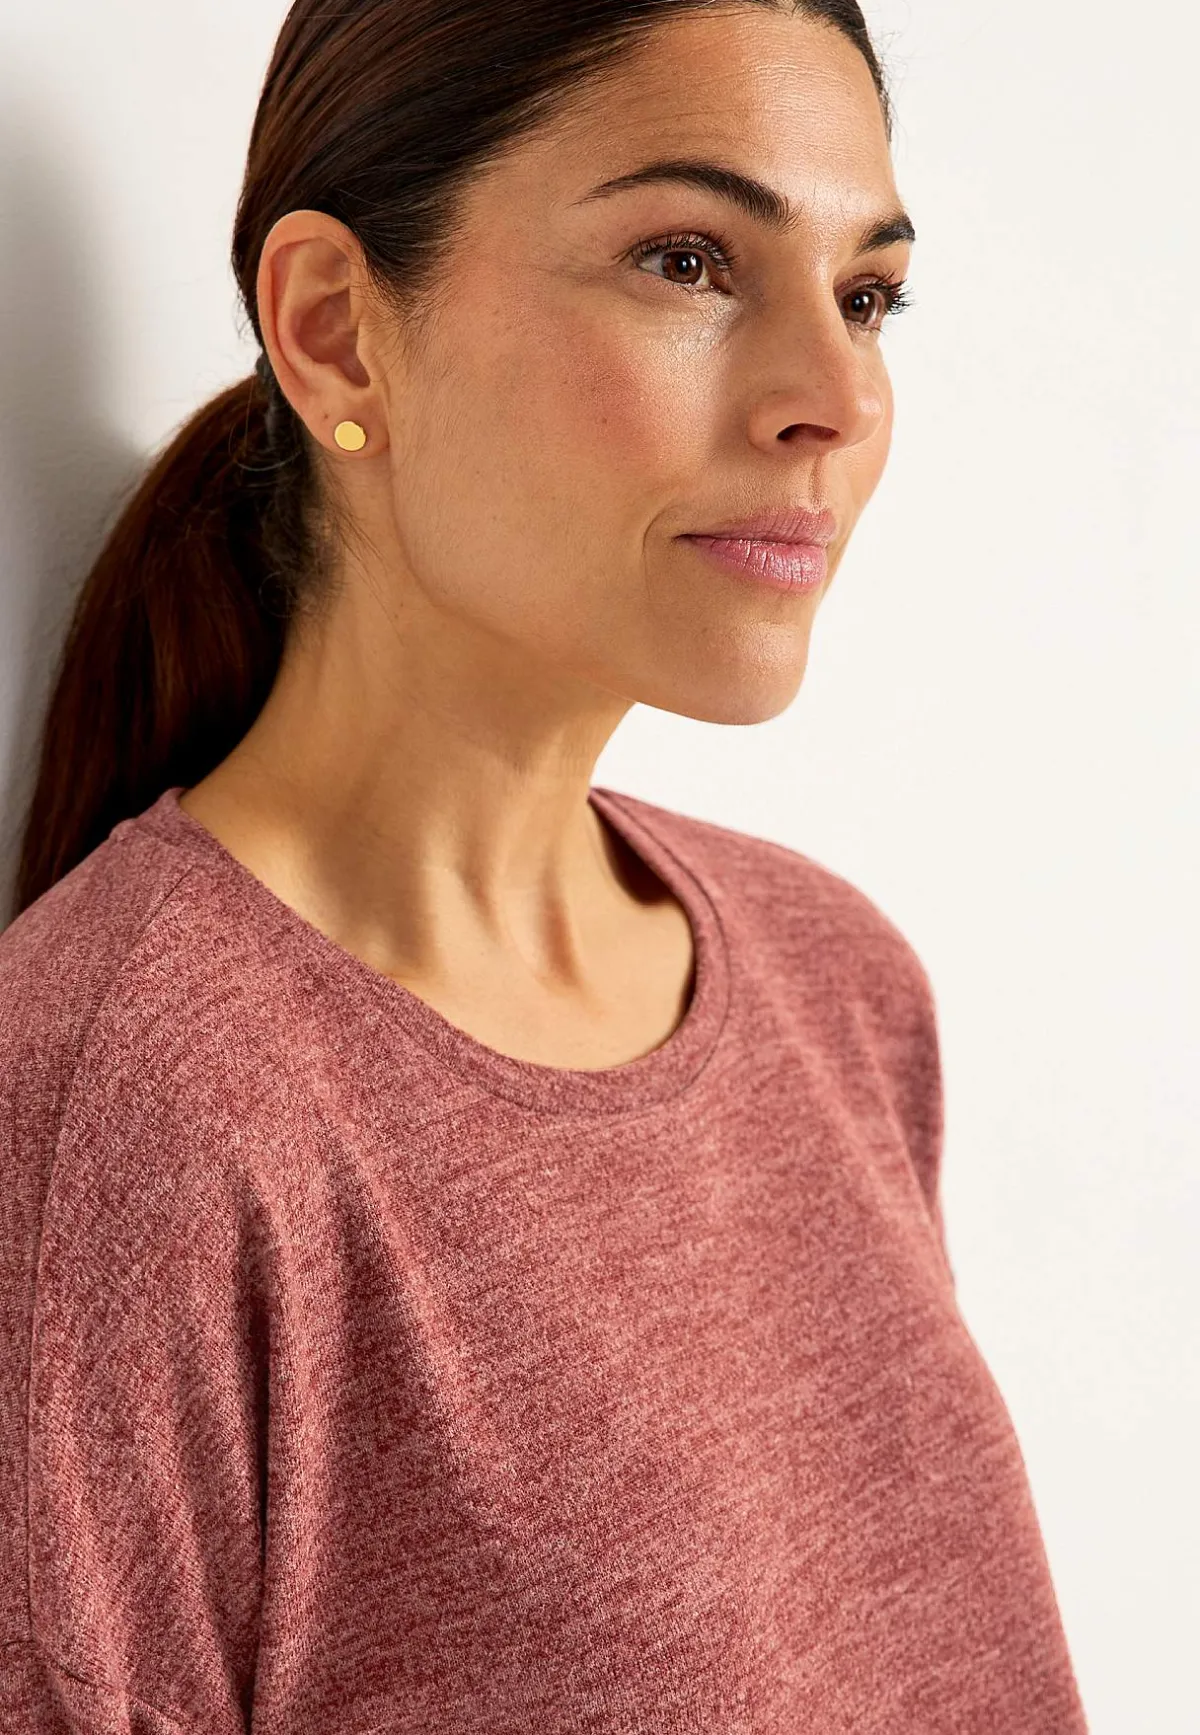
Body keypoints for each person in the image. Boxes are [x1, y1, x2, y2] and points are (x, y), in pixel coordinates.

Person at [0, 1, 1090, 1730]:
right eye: (688, 261)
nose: (837, 398)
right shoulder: (131, 1108)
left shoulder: (836, 983)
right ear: (336, 331)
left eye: (868, 294)